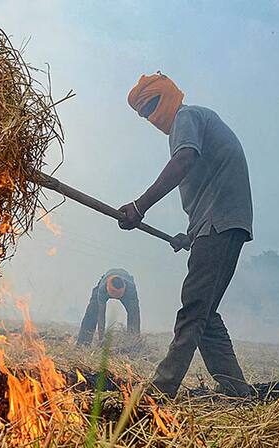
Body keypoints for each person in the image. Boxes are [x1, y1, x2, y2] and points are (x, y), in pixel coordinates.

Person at [117, 72, 254, 398]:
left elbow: (184, 161)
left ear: (166, 95)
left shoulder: (186, 117)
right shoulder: (196, 119)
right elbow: (211, 185)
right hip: (217, 226)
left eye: (151, 106)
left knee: (193, 309)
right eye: (144, 114)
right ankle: (236, 390)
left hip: (218, 225)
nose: (151, 117)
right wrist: (190, 236)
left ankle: (161, 390)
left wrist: (140, 205)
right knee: (205, 314)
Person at [76, 268, 140, 345]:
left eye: (118, 295)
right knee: (92, 312)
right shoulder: (102, 289)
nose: (116, 297)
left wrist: (135, 338)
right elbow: (101, 315)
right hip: (106, 281)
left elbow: (135, 317)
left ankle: (133, 344)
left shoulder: (130, 290)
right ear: (108, 288)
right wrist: (101, 339)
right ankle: (83, 343)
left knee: (134, 316)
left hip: (127, 286)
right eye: (114, 293)